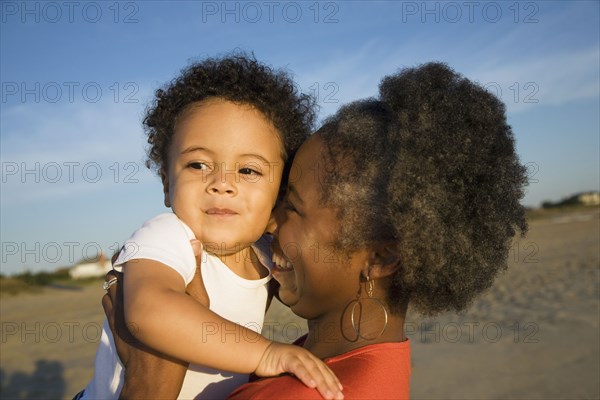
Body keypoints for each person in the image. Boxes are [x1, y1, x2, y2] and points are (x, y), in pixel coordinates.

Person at [103, 62, 529, 399]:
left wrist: (149, 386)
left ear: (381, 256)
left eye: (291, 206)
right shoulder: (366, 359)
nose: (269, 222)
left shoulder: (310, 390)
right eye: (198, 164)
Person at [78, 54, 343, 400]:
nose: (222, 183)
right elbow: (149, 311)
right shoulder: (169, 236)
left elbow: (315, 282)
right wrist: (264, 353)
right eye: (198, 164)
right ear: (166, 182)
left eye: (248, 171)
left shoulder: (265, 251)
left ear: (278, 192)